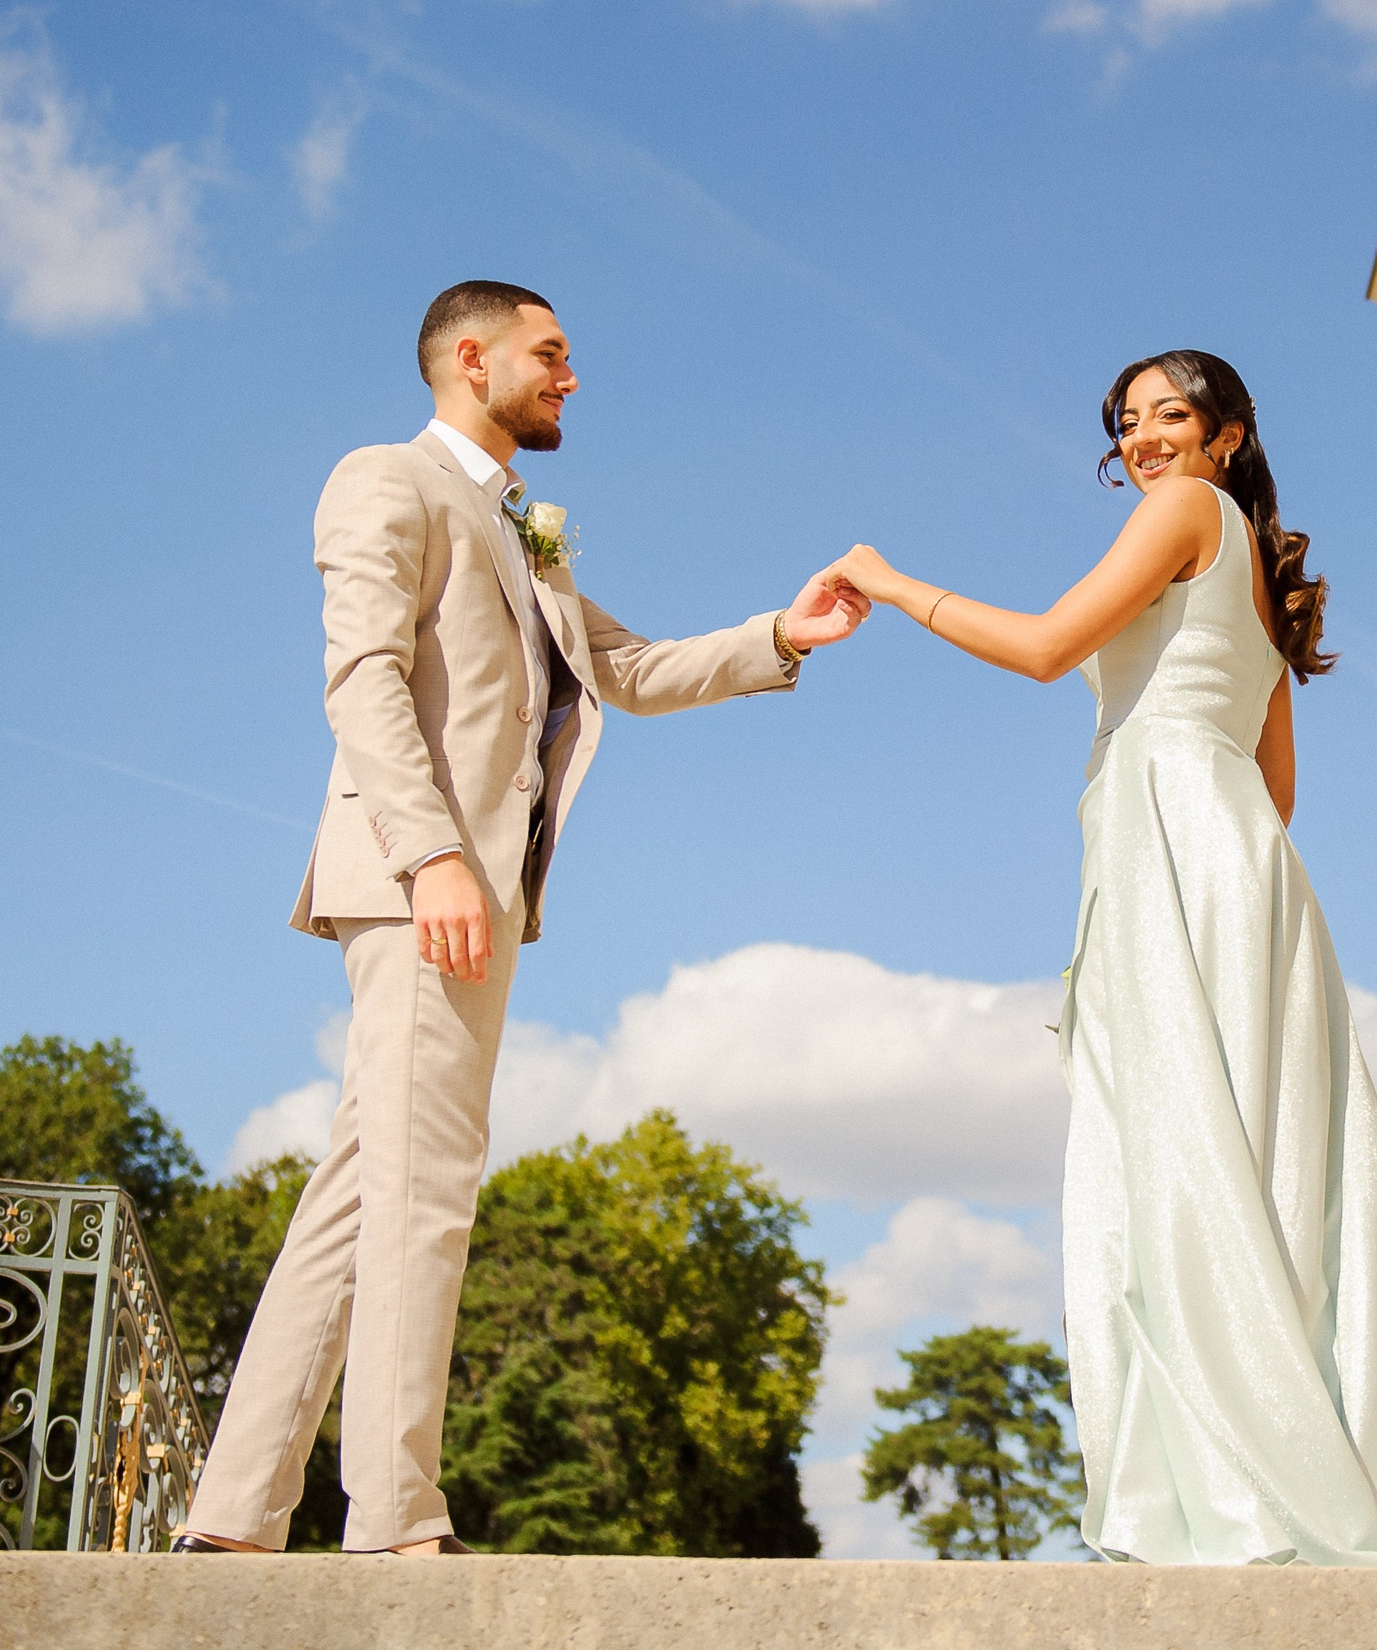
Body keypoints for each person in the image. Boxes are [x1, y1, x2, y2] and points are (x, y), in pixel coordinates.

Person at [173, 281, 866, 1557]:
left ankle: (229, 1516)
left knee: (362, 1186)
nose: (571, 376)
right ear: (470, 357)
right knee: (427, 1186)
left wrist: (783, 632)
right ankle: (392, 1519)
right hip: (424, 879)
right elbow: (362, 676)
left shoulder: (523, 533)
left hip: (472, 885)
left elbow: (627, 669)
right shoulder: (386, 479)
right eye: (552, 354)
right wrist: (433, 853)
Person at [818, 350, 1377, 1567]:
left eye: (1172, 416)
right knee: (1262, 1164)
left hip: (1169, 836)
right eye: (1129, 425)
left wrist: (890, 583)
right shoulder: (1264, 571)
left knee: (1174, 1154)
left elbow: (1048, 647)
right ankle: (1282, 1471)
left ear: (1225, 435)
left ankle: (1226, 1494)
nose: (1148, 439)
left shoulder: (1179, 514)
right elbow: (1274, 784)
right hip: (1243, 863)